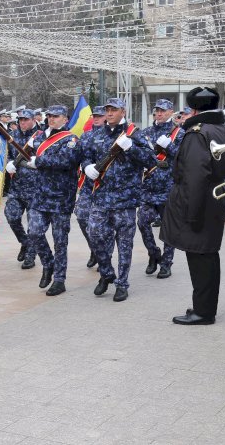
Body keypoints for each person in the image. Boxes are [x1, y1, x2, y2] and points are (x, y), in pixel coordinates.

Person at [161, 87, 225, 325]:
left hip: (198, 203)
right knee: (208, 256)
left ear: (193, 109)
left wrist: (191, 215)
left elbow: (194, 176)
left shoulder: (197, 133)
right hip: (213, 198)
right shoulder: (221, 127)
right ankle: (205, 307)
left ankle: (203, 312)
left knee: (200, 258)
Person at [82, 98, 155, 302]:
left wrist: (131, 147)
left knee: (124, 245)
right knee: (94, 234)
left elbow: (151, 161)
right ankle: (106, 273)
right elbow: (85, 155)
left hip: (126, 199)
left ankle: (122, 284)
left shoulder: (135, 135)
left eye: (114, 110)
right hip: (102, 197)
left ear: (123, 111)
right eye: (107, 110)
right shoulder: (95, 135)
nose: (110, 113)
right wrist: (87, 167)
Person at [24, 105, 83, 297]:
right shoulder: (40, 137)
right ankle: (48, 264)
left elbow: (66, 161)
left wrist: (38, 162)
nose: (51, 119)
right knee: (34, 233)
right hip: (40, 195)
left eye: (56, 116)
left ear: (65, 119)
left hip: (61, 197)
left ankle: (59, 280)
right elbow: (28, 155)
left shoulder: (71, 139)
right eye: (49, 116)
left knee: (60, 241)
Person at [137, 99, 183, 279]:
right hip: (148, 187)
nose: (159, 114)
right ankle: (153, 253)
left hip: (168, 187)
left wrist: (169, 146)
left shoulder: (178, 133)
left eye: (163, 111)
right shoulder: (146, 132)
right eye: (157, 111)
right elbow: (140, 156)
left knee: (168, 229)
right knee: (142, 223)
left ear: (171, 112)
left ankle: (166, 263)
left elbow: (183, 158)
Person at [4, 109, 40, 270]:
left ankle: (31, 256)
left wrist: (37, 161)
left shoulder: (41, 136)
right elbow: (7, 155)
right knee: (11, 216)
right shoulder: (13, 137)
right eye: (20, 120)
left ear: (33, 120)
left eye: (26, 120)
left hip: (35, 190)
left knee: (33, 226)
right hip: (17, 187)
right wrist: (9, 163)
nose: (22, 123)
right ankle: (24, 243)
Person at [74, 106, 107, 270]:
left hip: (106, 187)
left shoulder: (111, 135)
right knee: (81, 216)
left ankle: (103, 257)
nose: (96, 118)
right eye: (95, 115)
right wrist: (86, 166)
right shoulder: (86, 136)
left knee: (102, 226)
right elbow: (79, 156)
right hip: (88, 185)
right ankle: (94, 249)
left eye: (100, 116)